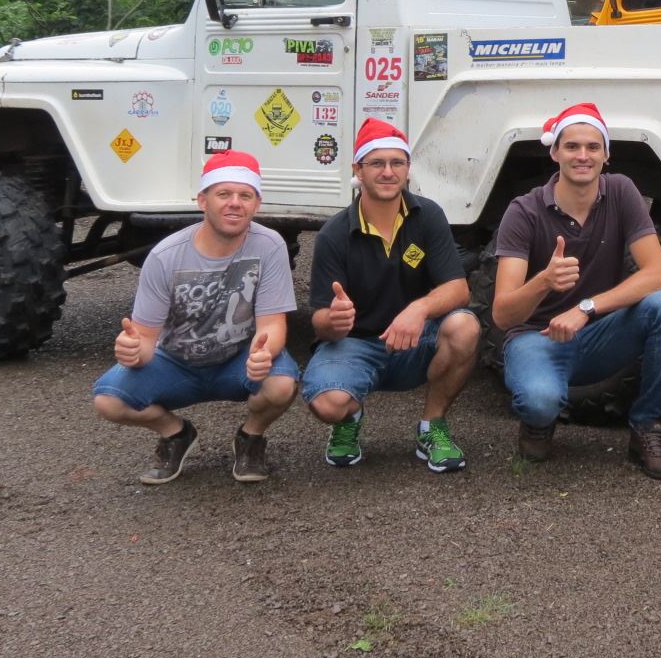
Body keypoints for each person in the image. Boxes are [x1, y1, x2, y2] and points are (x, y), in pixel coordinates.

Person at [490, 102, 661, 479]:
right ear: (554, 153)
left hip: (596, 333)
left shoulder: (621, 191)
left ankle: (648, 427)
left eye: (593, 147)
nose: (583, 156)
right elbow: (502, 314)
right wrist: (543, 282)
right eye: (572, 147)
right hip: (535, 338)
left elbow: (659, 274)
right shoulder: (524, 211)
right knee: (539, 401)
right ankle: (538, 420)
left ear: (607, 155)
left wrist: (586, 307)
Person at [91, 150, 299, 484]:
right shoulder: (164, 257)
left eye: (245, 195)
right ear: (202, 200)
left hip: (237, 360)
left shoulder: (270, 245)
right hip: (177, 363)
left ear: (256, 204)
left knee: (281, 384)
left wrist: (265, 352)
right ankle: (176, 434)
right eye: (223, 194)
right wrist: (131, 351)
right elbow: (144, 338)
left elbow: (273, 324)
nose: (235, 203)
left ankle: (251, 437)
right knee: (109, 400)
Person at [303, 119, 479, 472]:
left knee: (465, 328)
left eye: (397, 163)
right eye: (376, 163)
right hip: (355, 344)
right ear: (358, 170)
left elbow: (458, 289)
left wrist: (419, 309)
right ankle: (348, 421)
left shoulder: (428, 215)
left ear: (408, 170)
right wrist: (334, 320)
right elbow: (319, 322)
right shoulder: (333, 234)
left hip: (416, 339)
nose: (388, 172)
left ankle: (432, 427)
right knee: (327, 404)